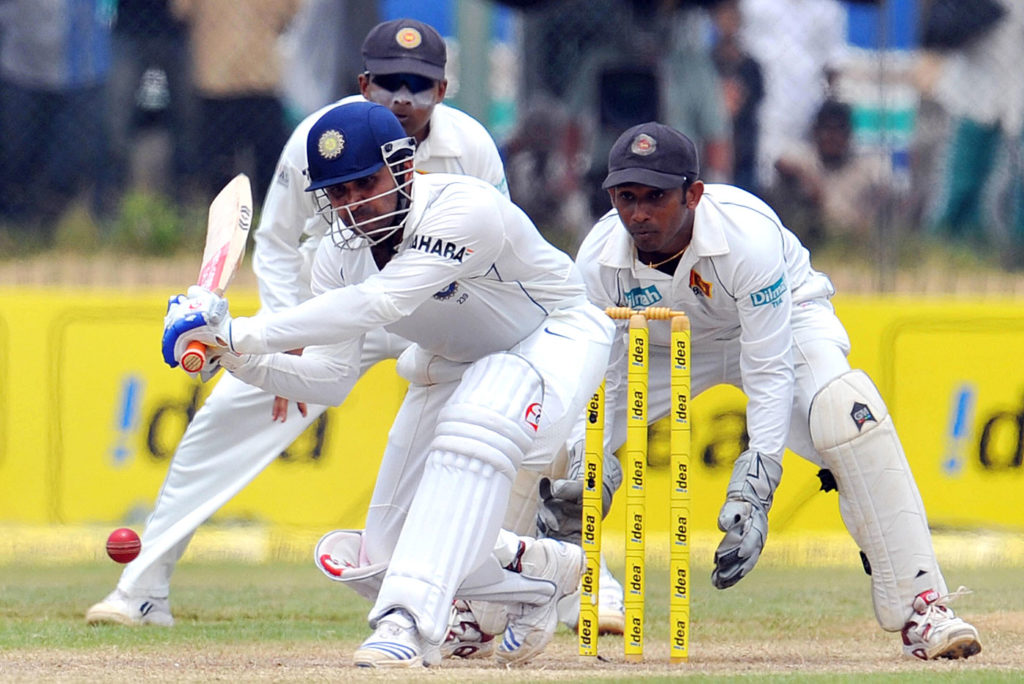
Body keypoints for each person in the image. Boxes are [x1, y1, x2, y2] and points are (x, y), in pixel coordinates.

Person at [158, 100, 615, 668]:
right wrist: (227, 354)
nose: (354, 205)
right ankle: (542, 577)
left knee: (481, 410)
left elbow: (383, 300)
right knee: (379, 557)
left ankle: (407, 623)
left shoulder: (464, 207)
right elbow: (327, 380)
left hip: (554, 340)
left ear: (401, 167)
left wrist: (239, 329)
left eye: (365, 184)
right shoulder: (337, 256)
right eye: (339, 194)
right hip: (454, 363)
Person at [571, 121, 982, 661]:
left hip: (785, 322)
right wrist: (585, 460)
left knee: (848, 413)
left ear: (693, 194)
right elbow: (595, 372)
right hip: (667, 339)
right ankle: (552, 599)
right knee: (552, 438)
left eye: (657, 197)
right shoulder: (598, 259)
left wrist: (756, 483)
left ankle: (923, 606)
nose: (640, 214)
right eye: (627, 198)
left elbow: (766, 367)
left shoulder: (746, 237)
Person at [768, 98, 888, 249]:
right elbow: (781, 163)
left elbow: (889, 191)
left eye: (839, 131)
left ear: (849, 134)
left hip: (855, 243)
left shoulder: (865, 168)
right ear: (816, 132)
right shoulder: (806, 158)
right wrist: (808, 184)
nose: (832, 138)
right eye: (827, 130)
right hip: (813, 241)